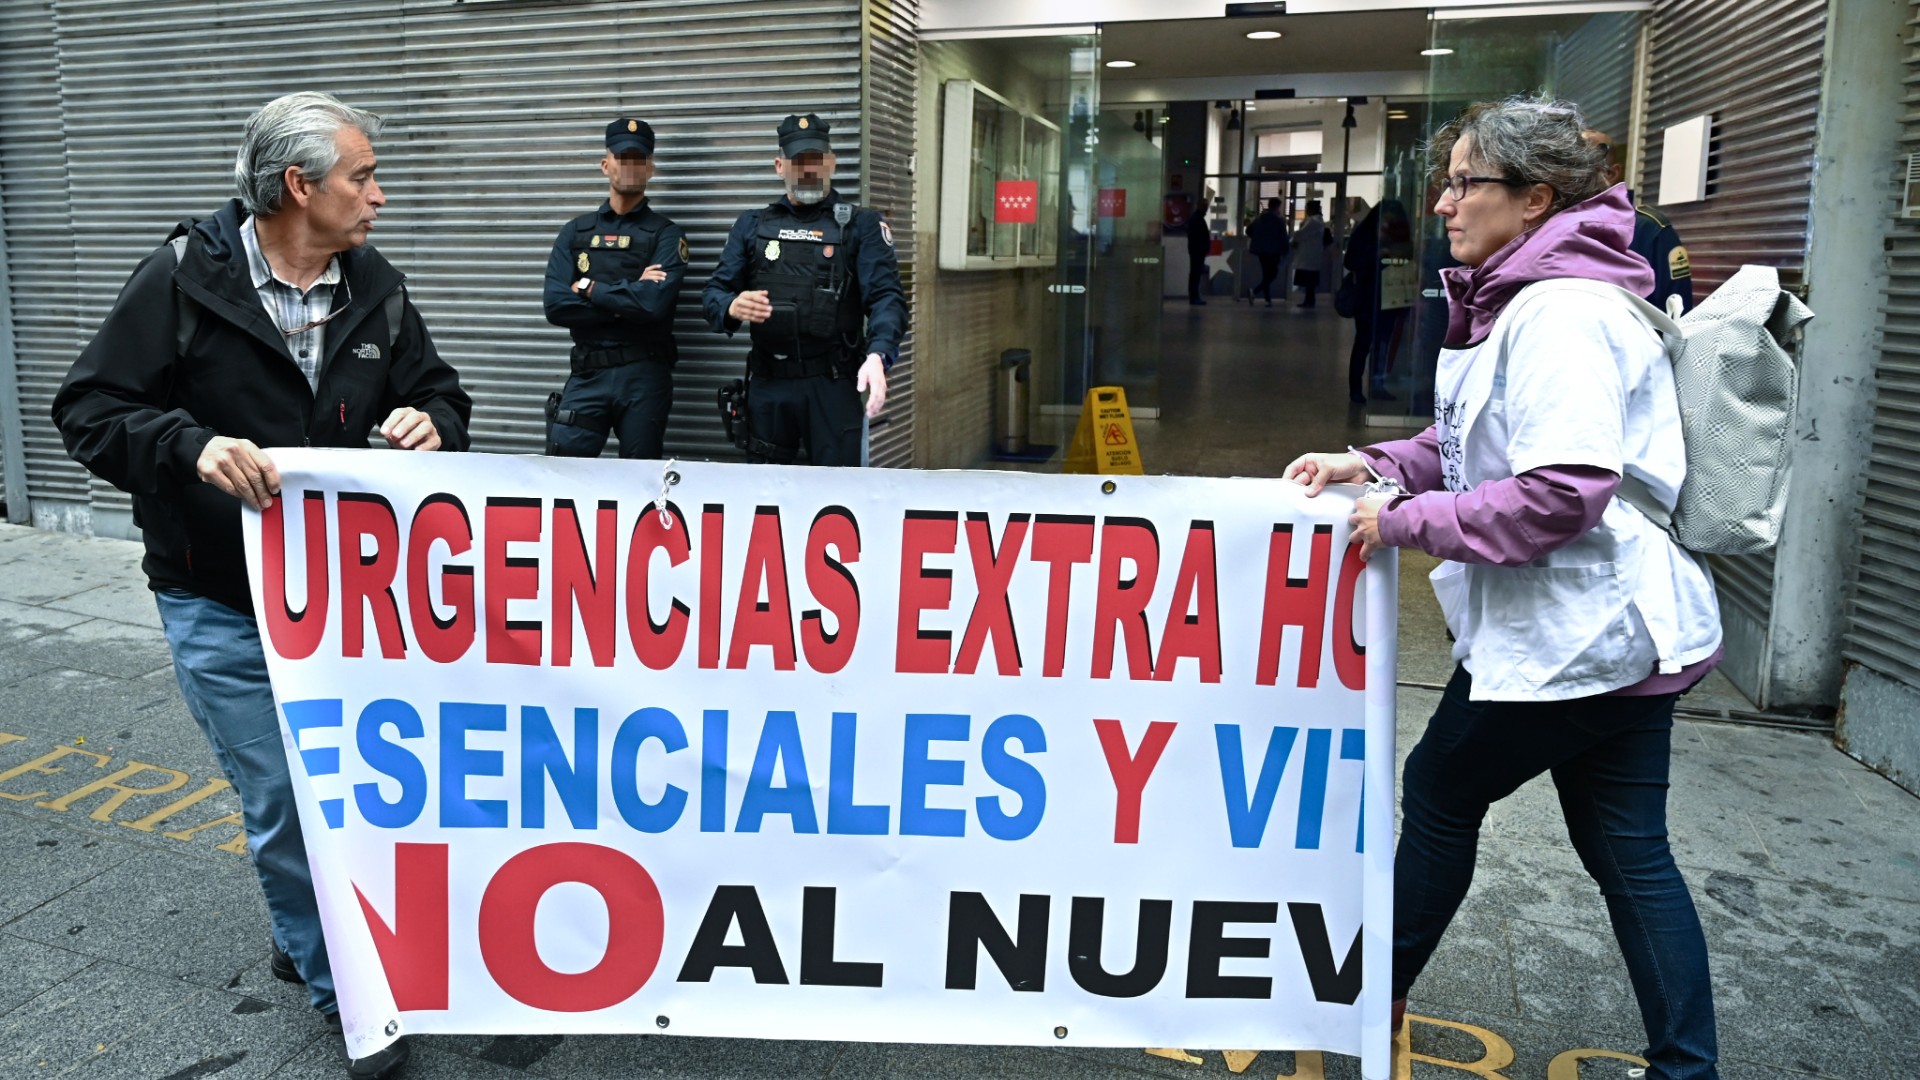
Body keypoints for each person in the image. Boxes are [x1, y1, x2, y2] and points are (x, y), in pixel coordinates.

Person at [1285, 97, 1724, 1080]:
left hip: (1577, 633)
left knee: (1441, 790)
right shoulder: (1527, 297)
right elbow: (1472, 439)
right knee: (1628, 853)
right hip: (1615, 636)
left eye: (1465, 183)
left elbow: (1561, 490)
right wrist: (1373, 465)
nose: (1444, 203)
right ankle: (1686, 1068)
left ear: (1535, 199)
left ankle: (1369, 1000)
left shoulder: (1562, 313)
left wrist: (1402, 521)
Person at [51, 92, 471, 1080]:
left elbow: (438, 389)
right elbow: (89, 409)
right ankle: (347, 994)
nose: (380, 195)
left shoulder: (377, 288)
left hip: (346, 605)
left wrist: (434, 422)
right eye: (363, 176)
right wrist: (187, 446)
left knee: (352, 791)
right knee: (281, 793)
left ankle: (302, 930)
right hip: (219, 600)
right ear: (300, 186)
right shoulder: (181, 278)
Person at [702, 113, 902, 465]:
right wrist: (731, 306)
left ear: (831, 162)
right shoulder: (752, 225)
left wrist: (878, 354)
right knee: (765, 491)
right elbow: (714, 294)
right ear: (780, 166)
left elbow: (887, 299)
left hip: (832, 384)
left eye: (816, 159)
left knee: (839, 490)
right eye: (798, 161)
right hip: (769, 384)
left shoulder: (862, 226)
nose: (808, 169)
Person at [542, 116, 687, 458]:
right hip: (588, 373)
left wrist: (590, 288)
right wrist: (628, 298)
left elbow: (653, 305)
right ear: (606, 165)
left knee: (640, 477)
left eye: (639, 159)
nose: (630, 166)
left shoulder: (666, 235)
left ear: (650, 168)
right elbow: (556, 305)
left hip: (643, 376)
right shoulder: (576, 232)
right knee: (564, 471)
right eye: (623, 157)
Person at [1585, 128, 1693, 315]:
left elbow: (1676, 313)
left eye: (1585, 164)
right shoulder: (1553, 228)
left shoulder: (1650, 230)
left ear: (1611, 174)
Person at [1342, 199, 1413, 404]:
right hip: (1368, 294)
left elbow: (1408, 257)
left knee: (1382, 343)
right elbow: (1351, 261)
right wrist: (1378, 256)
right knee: (1363, 342)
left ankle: (1377, 384)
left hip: (1391, 294)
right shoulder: (1365, 233)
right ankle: (1356, 389)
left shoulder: (1398, 234)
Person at [1246, 197, 1290, 307]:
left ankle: (1267, 299)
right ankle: (1255, 291)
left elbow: (1248, 230)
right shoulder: (1279, 220)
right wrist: (1286, 249)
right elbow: (1283, 236)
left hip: (1261, 251)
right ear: (1276, 207)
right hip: (1274, 251)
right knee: (1273, 274)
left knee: (1266, 274)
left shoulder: (1260, 218)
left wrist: (1258, 238)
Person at [1292, 199, 1329, 307]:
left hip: (1308, 255)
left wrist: (1294, 239)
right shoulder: (1318, 221)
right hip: (1312, 255)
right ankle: (1309, 300)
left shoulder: (1313, 221)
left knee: (1308, 281)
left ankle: (1309, 301)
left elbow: (1301, 234)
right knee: (1310, 282)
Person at [1185, 199, 1214, 305]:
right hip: (1197, 251)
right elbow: (1197, 236)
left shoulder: (1197, 218)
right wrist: (1203, 248)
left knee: (1195, 274)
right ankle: (1194, 297)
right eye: (1205, 206)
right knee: (1195, 275)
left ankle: (1195, 296)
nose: (1206, 209)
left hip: (1197, 251)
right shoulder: (1197, 219)